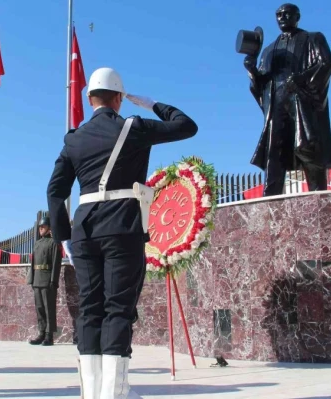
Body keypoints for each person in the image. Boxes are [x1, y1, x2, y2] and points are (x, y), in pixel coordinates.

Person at [46, 67, 198, 399]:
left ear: (90, 99)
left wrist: (63, 236)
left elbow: (56, 192)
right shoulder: (134, 127)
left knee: (90, 308)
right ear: (119, 98)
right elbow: (187, 126)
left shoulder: (73, 138)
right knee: (118, 307)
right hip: (122, 228)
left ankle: (91, 392)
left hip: (84, 231)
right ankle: (113, 393)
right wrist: (154, 104)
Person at [244, 3, 331, 196]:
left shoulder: (312, 38)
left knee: (309, 149)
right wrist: (251, 69)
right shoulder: (269, 50)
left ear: (297, 16)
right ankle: (269, 201)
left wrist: (302, 79)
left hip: (301, 100)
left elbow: (326, 63)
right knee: (273, 153)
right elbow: (260, 84)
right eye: (279, 14)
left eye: (287, 14)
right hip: (276, 104)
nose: (282, 17)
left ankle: (318, 198)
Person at [27, 216, 63, 346]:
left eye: (43, 227)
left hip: (48, 279)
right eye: (40, 227)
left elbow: (56, 262)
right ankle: (41, 333)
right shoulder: (37, 243)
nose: (41, 229)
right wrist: (31, 279)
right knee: (40, 308)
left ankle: (49, 335)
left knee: (49, 308)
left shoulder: (54, 243)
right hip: (37, 279)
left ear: (49, 228)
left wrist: (54, 280)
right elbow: (33, 263)